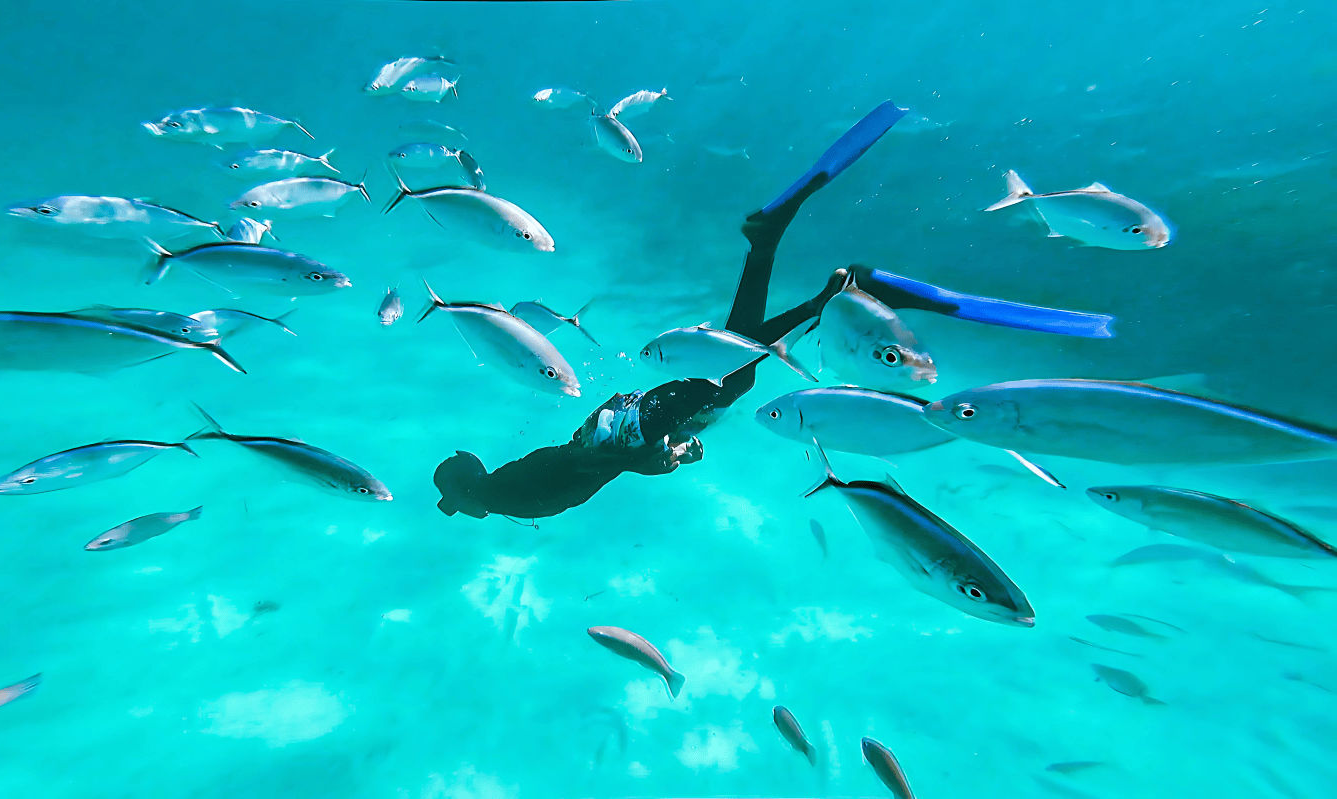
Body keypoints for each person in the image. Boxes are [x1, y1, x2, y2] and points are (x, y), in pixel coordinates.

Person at [434, 100, 1116, 520]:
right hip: (641, 422)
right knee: (739, 353)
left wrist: (661, 455)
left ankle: (805, 279)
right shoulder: (503, 488)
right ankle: (783, 257)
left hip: (643, 427)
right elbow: (586, 458)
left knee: (739, 361)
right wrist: (661, 448)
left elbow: (594, 466)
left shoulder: (510, 495)